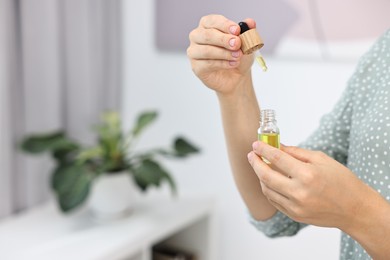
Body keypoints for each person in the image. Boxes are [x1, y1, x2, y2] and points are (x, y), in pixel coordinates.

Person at [187, 14, 390, 259]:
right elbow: (275, 211)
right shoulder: (383, 53)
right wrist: (235, 90)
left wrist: (357, 211)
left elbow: (349, 205)